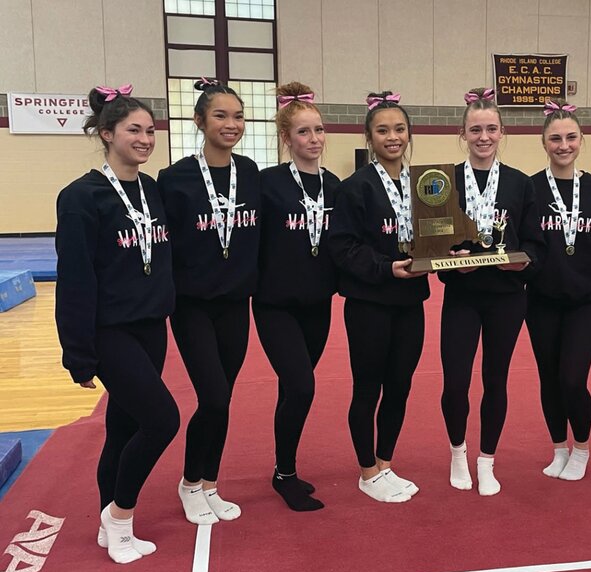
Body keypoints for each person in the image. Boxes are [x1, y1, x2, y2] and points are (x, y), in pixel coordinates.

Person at [56, 84, 179, 564]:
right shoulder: (81, 197)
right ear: (106, 133)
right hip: (110, 332)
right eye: (134, 130)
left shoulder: (152, 189)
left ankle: (110, 520)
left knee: (124, 428)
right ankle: (120, 517)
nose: (146, 139)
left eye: (150, 130)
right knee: (162, 420)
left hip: (151, 327)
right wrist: (78, 352)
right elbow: (76, 279)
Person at [157, 79, 261, 524]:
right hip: (192, 305)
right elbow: (162, 246)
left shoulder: (251, 172)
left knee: (224, 398)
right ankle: (188, 483)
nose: (231, 124)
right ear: (199, 121)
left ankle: (210, 483)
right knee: (214, 396)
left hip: (236, 304)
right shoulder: (174, 179)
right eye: (220, 115)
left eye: (238, 116)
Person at [439, 87, 546, 496]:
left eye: (491, 129)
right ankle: (457, 452)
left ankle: (487, 460)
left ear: (502, 133)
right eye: (475, 129)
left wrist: (518, 261)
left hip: (506, 297)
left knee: (495, 380)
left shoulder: (520, 184)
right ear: (463, 134)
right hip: (463, 296)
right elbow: (434, 242)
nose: (483, 137)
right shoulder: (444, 180)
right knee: (455, 383)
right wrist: (449, 260)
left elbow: (535, 244)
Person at [327, 91, 428, 503]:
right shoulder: (355, 188)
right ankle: (367, 470)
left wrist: (450, 254)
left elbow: (437, 234)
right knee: (368, 387)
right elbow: (343, 247)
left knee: (400, 386)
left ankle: (386, 463)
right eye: (383, 130)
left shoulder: (425, 184)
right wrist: (385, 268)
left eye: (399, 129)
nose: (392, 137)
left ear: (409, 134)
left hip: (411, 302)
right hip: (370, 302)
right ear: (369, 137)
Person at [253, 82, 340, 511]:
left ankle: (282, 469)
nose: (314, 139)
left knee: (293, 389)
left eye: (319, 130)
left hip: (318, 304)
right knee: (303, 387)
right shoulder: (266, 184)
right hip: (275, 305)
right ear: (287, 139)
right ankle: (284, 474)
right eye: (303, 132)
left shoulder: (334, 184)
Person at [526, 99, 591, 482]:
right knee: (549, 379)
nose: (563, 145)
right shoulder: (529, 189)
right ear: (543, 142)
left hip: (585, 301)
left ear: (581, 141)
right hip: (541, 299)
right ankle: (559, 446)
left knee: (573, 379)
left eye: (571, 137)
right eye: (555, 138)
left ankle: (582, 448)